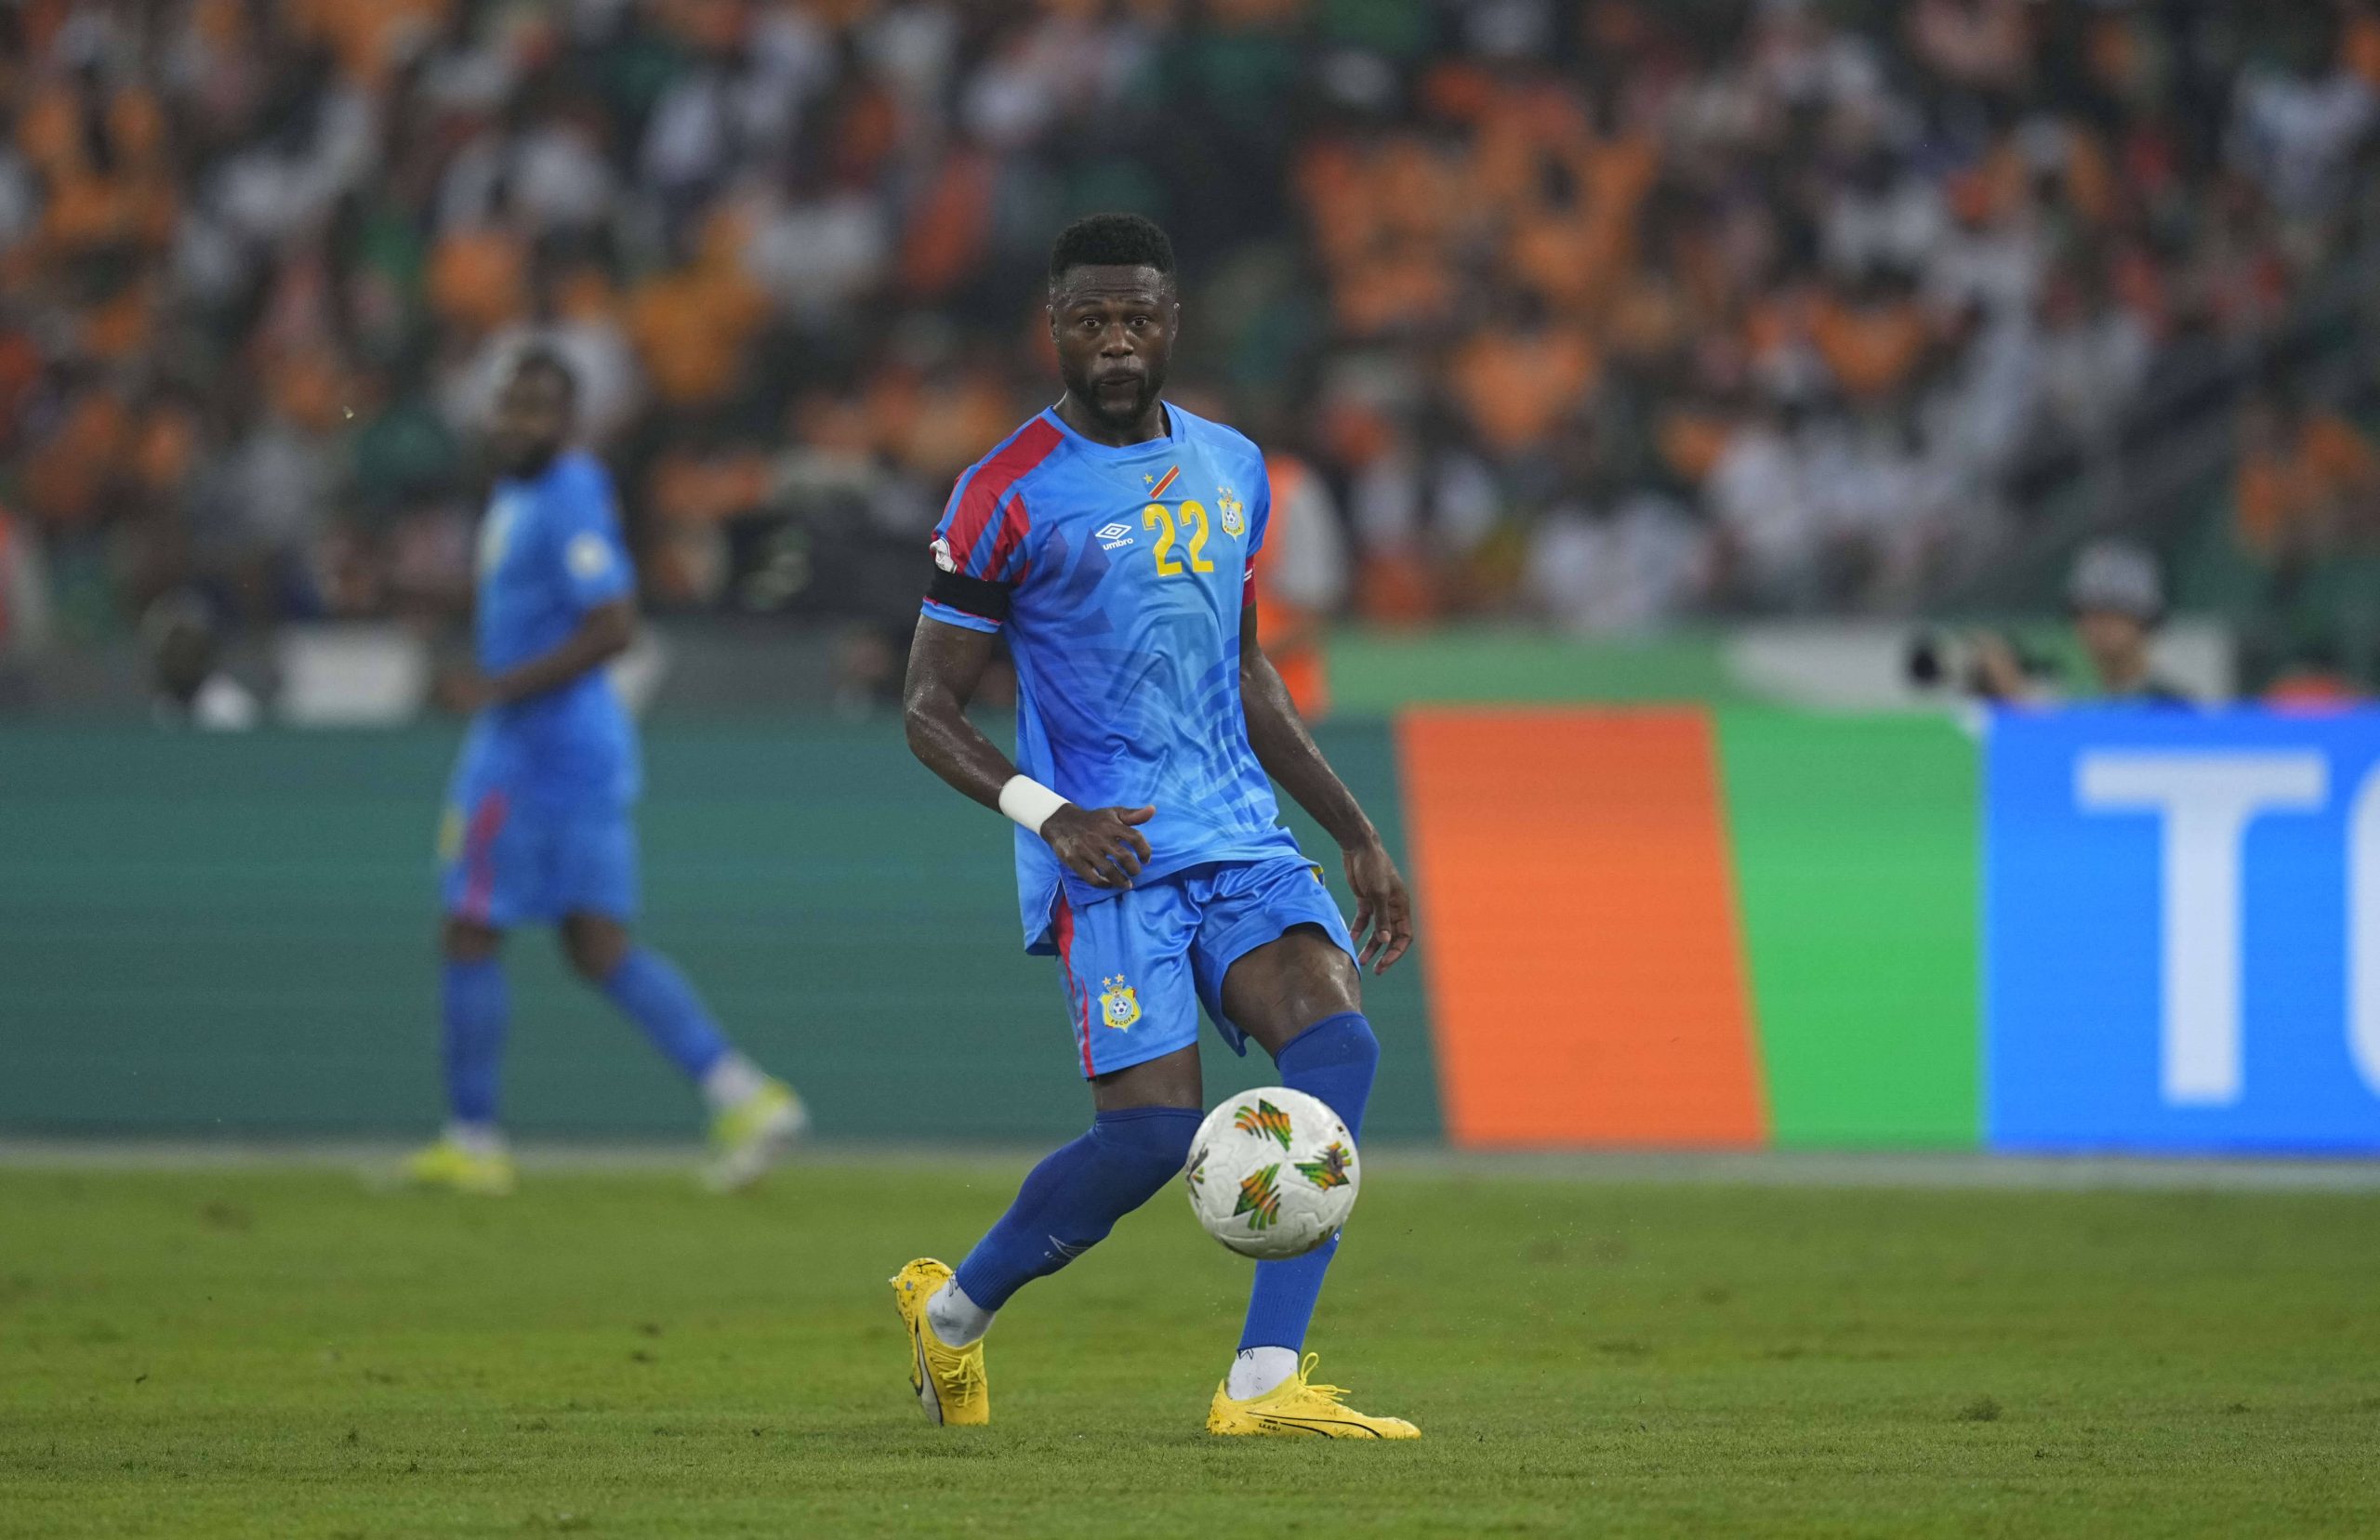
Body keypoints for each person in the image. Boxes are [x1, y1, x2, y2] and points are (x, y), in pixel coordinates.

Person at [892, 214, 1418, 1440]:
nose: (1117, 341)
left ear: (1173, 321)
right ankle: (954, 1313)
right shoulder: (1004, 492)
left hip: (1239, 835)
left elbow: (1246, 671)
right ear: (1054, 327)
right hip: (1114, 853)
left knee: (1338, 1049)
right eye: (1091, 320)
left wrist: (1353, 829)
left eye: (1137, 317)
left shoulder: (1233, 466)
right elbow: (926, 709)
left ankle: (1263, 1383)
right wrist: (1052, 816)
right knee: (1147, 1139)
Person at [405, 348, 806, 1196]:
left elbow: (614, 624)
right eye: (509, 405)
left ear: (569, 422)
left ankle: (472, 1139)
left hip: (532, 749)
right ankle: (742, 1092)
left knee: (469, 925)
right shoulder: (521, 493)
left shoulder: (566, 493)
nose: (519, 422)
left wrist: (493, 688)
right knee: (596, 945)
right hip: (579, 751)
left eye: (538, 408)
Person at [1972, 539, 2192, 704]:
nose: (2096, 627)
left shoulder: (2171, 706)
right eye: (2086, 614)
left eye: (2111, 612)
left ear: (2145, 620)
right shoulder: (2070, 697)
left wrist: (2020, 702)